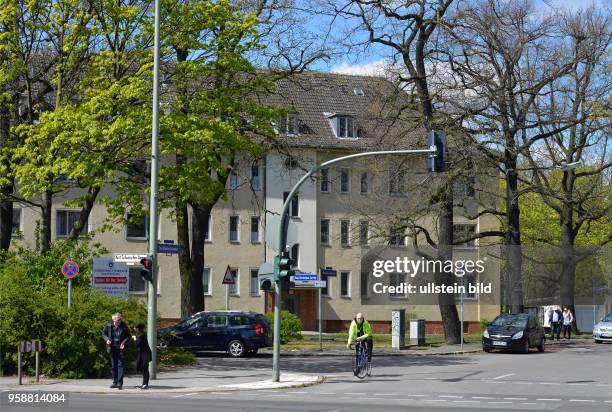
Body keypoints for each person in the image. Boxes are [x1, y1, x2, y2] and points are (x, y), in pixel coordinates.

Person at [102, 313, 131, 390]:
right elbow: (103, 334)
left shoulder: (124, 326)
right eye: (118, 320)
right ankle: (115, 382)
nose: (119, 321)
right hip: (112, 348)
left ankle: (119, 383)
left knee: (120, 365)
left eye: (120, 319)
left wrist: (123, 343)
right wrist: (107, 340)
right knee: (113, 365)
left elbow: (128, 336)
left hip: (121, 348)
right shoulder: (109, 326)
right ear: (113, 320)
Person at [133, 323, 152, 389]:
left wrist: (135, 338)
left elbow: (137, 344)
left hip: (145, 354)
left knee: (145, 369)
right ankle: (144, 383)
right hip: (142, 353)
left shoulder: (141, 335)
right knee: (143, 369)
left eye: (135, 327)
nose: (134, 328)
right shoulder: (142, 334)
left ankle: (145, 384)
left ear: (138, 328)